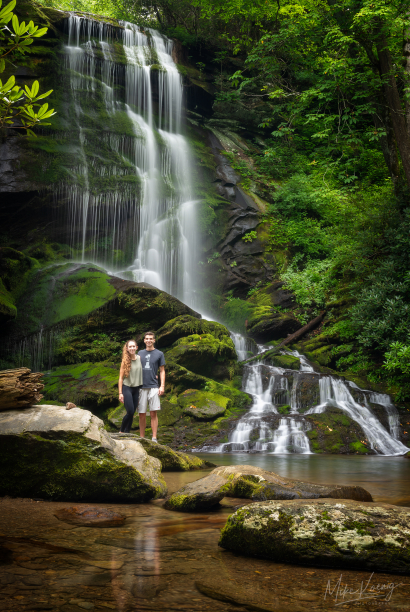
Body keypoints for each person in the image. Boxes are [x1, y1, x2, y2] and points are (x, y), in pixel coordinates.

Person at [138, 331, 165, 443]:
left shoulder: (159, 354)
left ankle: (154, 438)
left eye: (151, 338)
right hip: (141, 386)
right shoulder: (139, 353)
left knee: (153, 413)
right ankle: (142, 438)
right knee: (142, 413)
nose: (148, 340)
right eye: (147, 338)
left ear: (154, 340)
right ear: (144, 340)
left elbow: (162, 371)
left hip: (154, 386)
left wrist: (162, 386)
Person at [118, 339, 142, 433]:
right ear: (127, 348)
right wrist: (120, 393)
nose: (132, 348)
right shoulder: (124, 361)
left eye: (133, 346)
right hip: (127, 388)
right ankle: (121, 431)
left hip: (136, 389)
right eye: (130, 346)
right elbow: (120, 378)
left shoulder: (140, 358)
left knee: (132, 413)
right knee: (130, 411)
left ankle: (127, 433)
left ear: (136, 347)